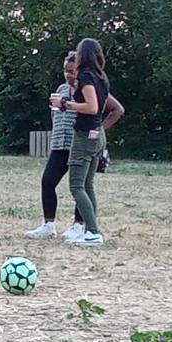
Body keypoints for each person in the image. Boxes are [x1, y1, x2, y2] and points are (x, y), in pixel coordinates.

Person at [28, 52, 124, 240]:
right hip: (59, 144)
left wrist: (98, 131)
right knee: (48, 181)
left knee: (80, 185)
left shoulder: (88, 87)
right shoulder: (62, 89)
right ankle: (48, 224)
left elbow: (114, 109)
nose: (68, 75)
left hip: (80, 142)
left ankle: (80, 226)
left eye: (72, 71)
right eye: (65, 71)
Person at [49, 38, 114, 246]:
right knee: (88, 185)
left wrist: (66, 104)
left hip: (85, 134)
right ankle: (90, 229)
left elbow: (92, 107)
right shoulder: (101, 77)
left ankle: (93, 232)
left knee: (77, 186)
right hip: (98, 134)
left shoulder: (86, 76)